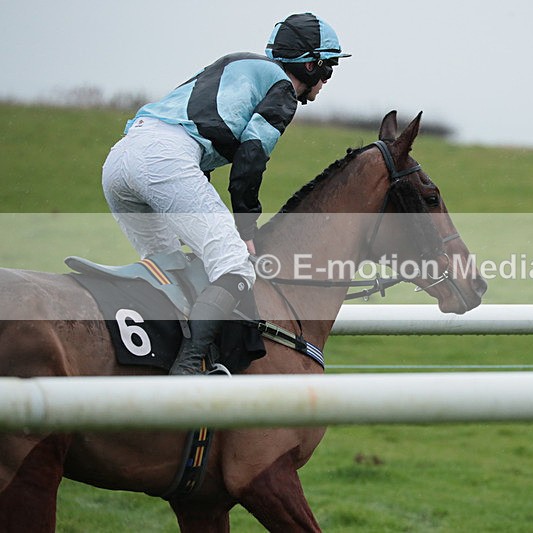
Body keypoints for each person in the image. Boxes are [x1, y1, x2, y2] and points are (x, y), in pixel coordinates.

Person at [101, 12, 350, 375]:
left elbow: (201, 139)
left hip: (120, 159)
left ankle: (153, 361)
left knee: (170, 270)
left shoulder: (237, 62)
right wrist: (246, 229)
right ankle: (189, 370)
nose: (326, 80)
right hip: (164, 159)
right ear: (310, 65)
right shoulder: (282, 90)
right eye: (327, 69)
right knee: (234, 265)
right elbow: (249, 162)